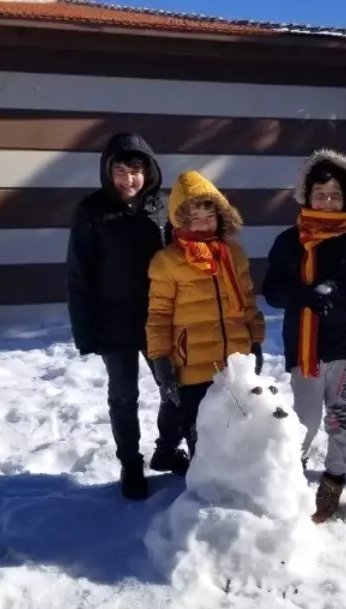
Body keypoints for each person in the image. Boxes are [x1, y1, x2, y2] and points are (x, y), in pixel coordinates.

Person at [66, 132, 182, 501]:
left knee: (173, 390)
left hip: (158, 319)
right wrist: (85, 333)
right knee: (123, 397)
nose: (128, 178)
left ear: (148, 171)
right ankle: (130, 463)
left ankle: (165, 449)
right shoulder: (91, 211)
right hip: (112, 320)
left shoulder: (162, 208)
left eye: (135, 169)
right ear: (107, 171)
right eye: (120, 169)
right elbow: (78, 275)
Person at [261, 149, 346, 523]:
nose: (327, 200)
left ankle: (334, 479)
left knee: (341, 415)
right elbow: (272, 289)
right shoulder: (289, 241)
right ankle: (291, 473)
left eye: (335, 194)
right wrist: (301, 295)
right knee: (305, 419)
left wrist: (340, 296)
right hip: (305, 348)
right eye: (320, 193)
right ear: (307, 196)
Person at [145, 170, 266, 475]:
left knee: (233, 424)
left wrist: (256, 339)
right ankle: (204, 491)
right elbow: (158, 316)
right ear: (179, 220)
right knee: (200, 431)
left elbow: (247, 300)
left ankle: (232, 479)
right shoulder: (168, 261)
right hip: (192, 365)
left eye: (209, 214)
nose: (202, 223)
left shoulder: (233, 254)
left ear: (221, 215)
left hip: (233, 359)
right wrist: (161, 360)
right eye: (193, 216)